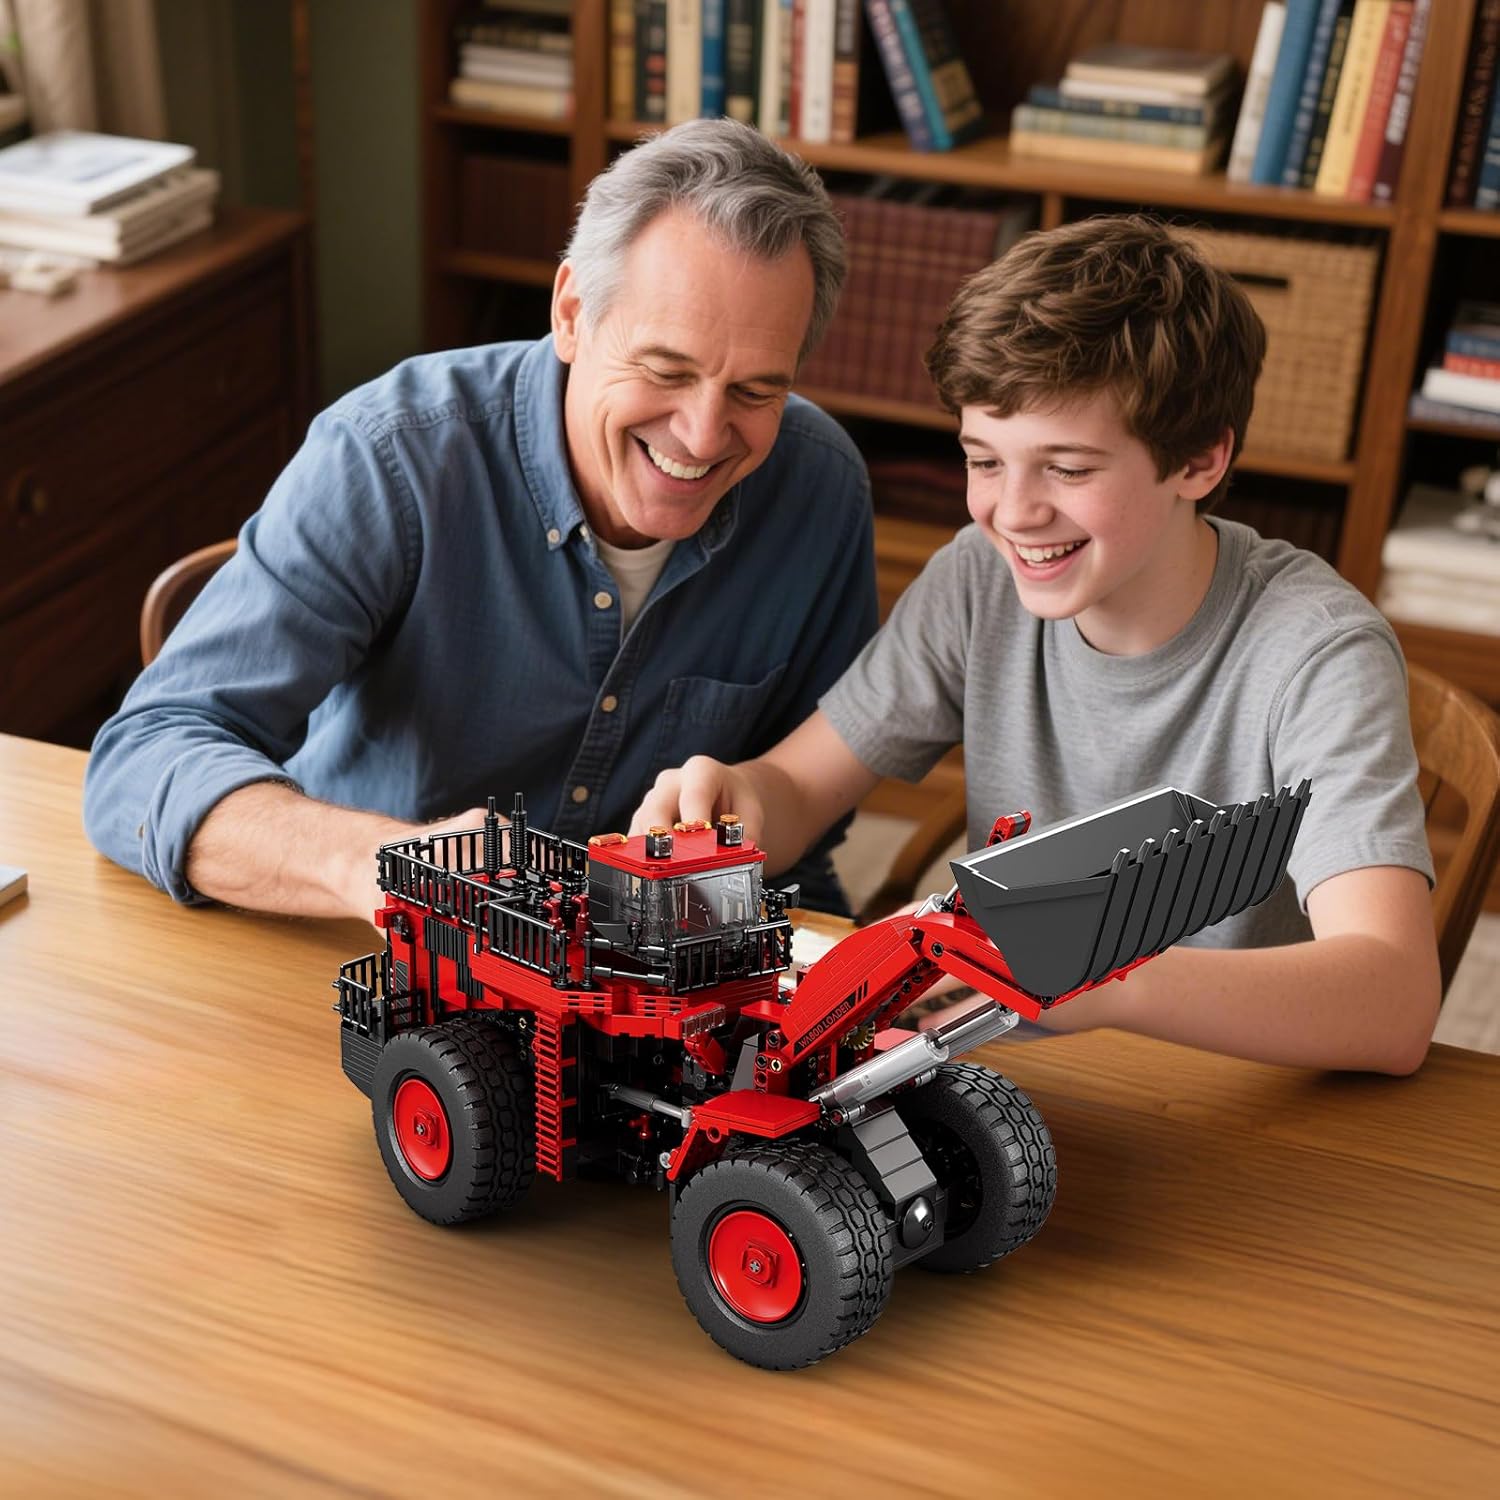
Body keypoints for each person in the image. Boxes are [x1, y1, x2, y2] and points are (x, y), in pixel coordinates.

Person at [633, 213, 1441, 1076]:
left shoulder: (1316, 654)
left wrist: (1103, 979)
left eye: (1068, 468)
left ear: (1200, 461)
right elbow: (798, 786)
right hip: (1000, 1072)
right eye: (985, 460)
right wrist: (736, 798)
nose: (1012, 514)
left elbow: (1393, 1001)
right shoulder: (980, 578)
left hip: (1216, 1093)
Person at [83, 119, 877, 921]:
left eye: (755, 392)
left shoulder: (820, 487)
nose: (704, 437)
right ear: (571, 313)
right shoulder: (390, 459)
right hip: (372, 948)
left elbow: (812, 806)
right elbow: (141, 760)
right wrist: (372, 863)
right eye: (665, 370)